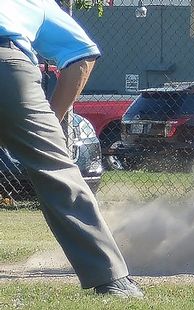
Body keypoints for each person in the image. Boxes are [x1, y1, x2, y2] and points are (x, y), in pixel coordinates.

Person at [0, 1, 142, 297]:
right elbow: (82, 54)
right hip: (8, 67)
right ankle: (112, 278)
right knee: (56, 173)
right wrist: (52, 119)